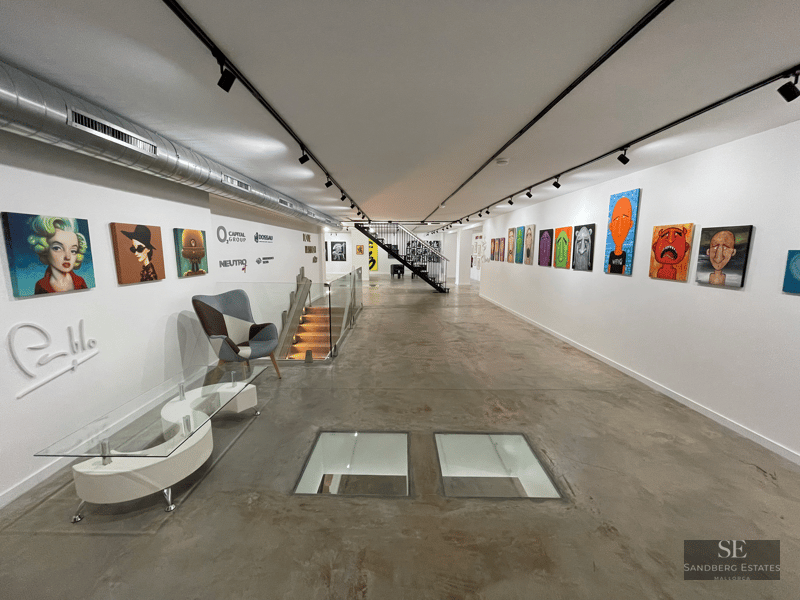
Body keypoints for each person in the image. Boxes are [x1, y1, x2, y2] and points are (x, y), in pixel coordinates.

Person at [28, 215, 89, 294]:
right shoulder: (41, 285)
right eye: (57, 248)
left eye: (73, 251)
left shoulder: (80, 281)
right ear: (45, 249)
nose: (68, 257)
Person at [607, 196, 633, 274]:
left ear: (630, 224)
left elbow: (623, 268)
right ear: (611, 226)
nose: (620, 226)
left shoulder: (624, 254)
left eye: (624, 218)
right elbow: (609, 267)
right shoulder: (611, 254)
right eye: (616, 219)